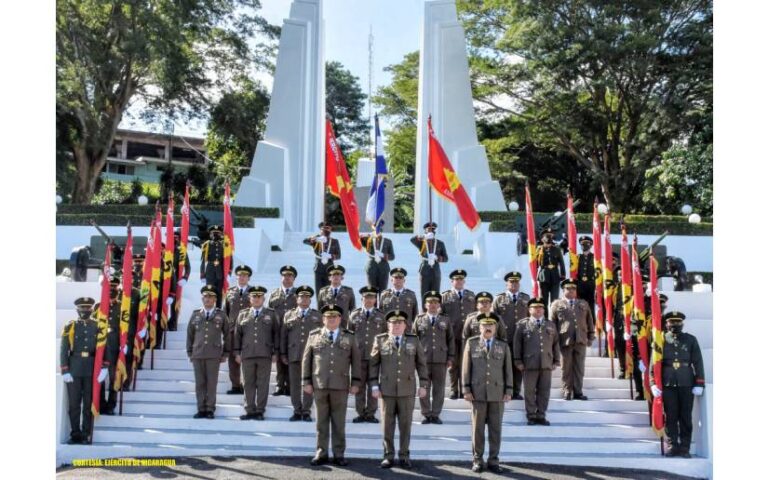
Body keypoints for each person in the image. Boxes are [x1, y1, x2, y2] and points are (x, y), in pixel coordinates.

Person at [303, 305, 362, 467]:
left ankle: (338, 453)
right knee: (321, 422)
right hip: (320, 385)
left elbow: (356, 362)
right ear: (323, 319)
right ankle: (321, 452)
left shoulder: (349, 337)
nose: (331, 319)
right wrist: (306, 381)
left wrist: (356, 382)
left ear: (340, 319)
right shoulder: (314, 335)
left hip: (340, 385)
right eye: (328, 317)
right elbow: (306, 360)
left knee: (339, 422)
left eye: (335, 317)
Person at [369, 310, 429, 469]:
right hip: (386, 390)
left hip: (407, 390)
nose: (396, 325)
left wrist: (423, 385)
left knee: (405, 425)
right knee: (387, 425)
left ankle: (404, 455)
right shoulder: (380, 340)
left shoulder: (414, 340)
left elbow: (422, 365)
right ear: (388, 325)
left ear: (405, 325)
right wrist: (374, 386)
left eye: (399, 323)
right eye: (393, 323)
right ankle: (388, 455)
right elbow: (374, 365)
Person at [461, 313, 513, 473]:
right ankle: (477, 460)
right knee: (477, 430)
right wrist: (466, 389)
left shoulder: (503, 345)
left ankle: (493, 460)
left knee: (495, 429)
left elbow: (508, 370)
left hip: (497, 393)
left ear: (495, 328)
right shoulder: (472, 343)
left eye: (491, 326)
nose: (488, 328)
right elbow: (466, 368)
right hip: (477, 393)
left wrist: (509, 389)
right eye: (485, 325)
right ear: (480, 327)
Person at [650, 311, 705, 458]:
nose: (674, 325)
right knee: (671, 416)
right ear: (666, 324)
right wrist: (653, 382)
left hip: (687, 382)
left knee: (685, 416)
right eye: (671, 323)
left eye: (677, 323)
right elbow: (654, 362)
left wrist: (700, 382)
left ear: (682, 324)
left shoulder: (691, 340)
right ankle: (673, 446)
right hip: (668, 383)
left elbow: (698, 362)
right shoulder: (660, 339)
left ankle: (685, 448)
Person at [60, 297, 109, 444]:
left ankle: (86, 434)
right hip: (74, 369)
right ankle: (75, 434)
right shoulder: (70, 326)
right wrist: (65, 369)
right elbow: (64, 349)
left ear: (92, 310)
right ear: (77, 310)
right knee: (74, 404)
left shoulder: (98, 326)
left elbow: (103, 347)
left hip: (92, 370)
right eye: (82, 309)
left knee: (88, 404)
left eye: (87, 309)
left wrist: (105, 367)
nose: (85, 311)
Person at [233, 286, 279, 420]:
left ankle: (260, 410)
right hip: (247, 354)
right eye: (254, 296)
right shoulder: (243, 314)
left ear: (264, 299)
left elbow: (276, 334)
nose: (257, 299)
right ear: (250, 298)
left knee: (263, 383)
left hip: (265, 353)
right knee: (248, 383)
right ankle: (249, 410)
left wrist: (276, 352)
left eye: (259, 297)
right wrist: (237, 352)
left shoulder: (270, 314)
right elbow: (237, 335)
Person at [514, 297, 560, 426]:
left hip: (546, 363)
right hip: (529, 364)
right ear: (529, 310)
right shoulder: (522, 325)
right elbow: (517, 345)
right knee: (529, 391)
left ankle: (541, 414)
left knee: (544, 391)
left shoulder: (550, 325)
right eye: (535, 307)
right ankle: (531, 415)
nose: (538, 310)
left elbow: (555, 344)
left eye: (541, 308)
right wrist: (518, 361)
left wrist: (556, 359)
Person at [280, 285, 323, 422]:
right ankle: (297, 410)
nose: (304, 299)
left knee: (308, 383)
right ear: (297, 299)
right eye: (301, 297)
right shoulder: (289, 315)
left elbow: (322, 336)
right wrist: (283, 353)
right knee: (294, 384)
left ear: (310, 300)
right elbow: (284, 336)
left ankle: (306, 410)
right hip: (294, 354)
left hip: (311, 356)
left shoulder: (317, 315)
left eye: (307, 297)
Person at [186, 285, 229, 419]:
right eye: (205, 297)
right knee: (200, 383)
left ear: (215, 299)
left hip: (213, 355)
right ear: (202, 298)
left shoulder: (221, 315)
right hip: (198, 354)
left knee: (211, 383)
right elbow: (190, 335)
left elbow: (227, 335)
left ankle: (210, 409)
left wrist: (225, 353)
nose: (208, 299)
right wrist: (190, 352)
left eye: (210, 297)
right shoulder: (195, 314)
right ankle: (201, 408)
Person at [413, 291, 455, 424]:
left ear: (439, 305)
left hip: (440, 359)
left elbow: (451, 339)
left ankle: (435, 414)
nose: (432, 305)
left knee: (439, 388)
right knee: (424, 387)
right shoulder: (419, 319)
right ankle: (426, 413)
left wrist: (451, 357)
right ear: (425, 305)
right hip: (423, 360)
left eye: (435, 302)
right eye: (430, 302)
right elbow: (414, 340)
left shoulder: (445, 319)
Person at [549, 279, 595, 400]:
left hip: (581, 339)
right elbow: (552, 324)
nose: (571, 291)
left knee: (579, 367)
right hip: (565, 341)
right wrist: (553, 342)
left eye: (573, 289)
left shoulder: (583, 304)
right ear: (563, 290)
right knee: (566, 367)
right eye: (568, 289)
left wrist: (591, 336)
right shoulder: (556, 305)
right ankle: (567, 390)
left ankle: (578, 391)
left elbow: (590, 321)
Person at [347, 286, 387, 423]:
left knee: (373, 384)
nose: (368, 300)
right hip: (358, 356)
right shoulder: (354, 315)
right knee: (359, 385)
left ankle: (370, 413)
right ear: (362, 298)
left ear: (375, 299)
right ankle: (360, 412)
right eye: (366, 297)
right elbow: (349, 336)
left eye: (371, 297)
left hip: (375, 357)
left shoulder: (381, 316)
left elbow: (385, 336)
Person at [492, 271, 530, 399]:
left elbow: (530, 317)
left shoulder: (526, 298)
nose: (514, 284)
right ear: (506, 284)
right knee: (503, 365)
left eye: (516, 282)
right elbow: (493, 319)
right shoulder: (499, 299)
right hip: (504, 338)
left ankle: (516, 391)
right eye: (511, 282)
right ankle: (503, 390)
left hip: (521, 338)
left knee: (518, 365)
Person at [441, 269, 476, 399]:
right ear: (452, 281)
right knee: (453, 364)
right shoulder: (445, 296)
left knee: (466, 363)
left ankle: (464, 389)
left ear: (464, 281)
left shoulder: (471, 296)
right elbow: (441, 315)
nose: (459, 281)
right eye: (456, 279)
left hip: (468, 336)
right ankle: (454, 389)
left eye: (461, 279)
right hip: (452, 335)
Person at [268, 265, 298, 396]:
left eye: (290, 276)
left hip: (293, 332)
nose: (287, 278)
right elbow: (269, 312)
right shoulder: (274, 294)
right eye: (285, 276)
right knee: (280, 359)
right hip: (278, 331)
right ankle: (280, 385)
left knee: (291, 360)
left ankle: (291, 386)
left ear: (294, 278)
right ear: (281, 278)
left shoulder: (299, 294)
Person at [222, 265, 253, 395]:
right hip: (232, 332)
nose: (242, 278)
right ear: (236, 277)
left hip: (248, 331)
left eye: (244, 275)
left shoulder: (254, 292)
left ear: (248, 277)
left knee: (247, 359)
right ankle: (235, 385)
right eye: (240, 275)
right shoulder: (230, 292)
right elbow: (225, 313)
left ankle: (248, 385)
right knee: (233, 360)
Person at [99, 275, 122, 415]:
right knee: (100, 377)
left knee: (114, 378)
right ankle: (100, 404)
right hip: (101, 346)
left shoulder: (121, 306)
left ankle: (111, 405)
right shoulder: (98, 306)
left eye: (114, 287)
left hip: (114, 345)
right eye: (109, 287)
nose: (112, 289)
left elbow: (125, 328)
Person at [410, 222, 448, 299]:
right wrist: (423, 236)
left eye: (432, 230)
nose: (431, 231)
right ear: (425, 231)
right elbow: (412, 240)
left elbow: (446, 258)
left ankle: (436, 310)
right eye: (429, 230)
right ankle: (424, 310)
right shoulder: (422, 242)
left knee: (435, 293)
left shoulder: (440, 243)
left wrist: (437, 257)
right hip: (425, 271)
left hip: (435, 271)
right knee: (424, 292)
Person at [303, 222, 341, 295]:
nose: (325, 230)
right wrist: (316, 239)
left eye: (328, 228)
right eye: (323, 229)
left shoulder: (334, 241)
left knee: (329, 291)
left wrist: (330, 256)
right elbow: (305, 241)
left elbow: (338, 255)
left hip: (329, 268)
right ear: (320, 230)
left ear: (330, 230)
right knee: (319, 291)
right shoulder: (317, 239)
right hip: (319, 267)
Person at [536, 227, 566, 313]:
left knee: (555, 300)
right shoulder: (539, 249)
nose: (548, 238)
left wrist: (563, 275)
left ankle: (554, 319)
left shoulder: (556, 249)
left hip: (555, 276)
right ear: (542, 239)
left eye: (550, 236)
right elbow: (535, 264)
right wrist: (534, 276)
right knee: (543, 300)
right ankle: (544, 319)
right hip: (543, 277)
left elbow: (561, 263)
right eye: (546, 236)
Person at [168, 228, 191, 331]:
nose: (174, 239)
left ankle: (173, 322)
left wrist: (185, 278)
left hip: (176, 280)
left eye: (176, 237)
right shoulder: (165, 250)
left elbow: (188, 266)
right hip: (165, 279)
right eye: (172, 237)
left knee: (174, 303)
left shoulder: (181, 252)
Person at [361, 222, 395, 292]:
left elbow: (392, 256)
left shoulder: (387, 241)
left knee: (383, 292)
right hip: (372, 267)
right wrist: (366, 235)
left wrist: (383, 255)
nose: (377, 232)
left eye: (378, 231)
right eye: (375, 230)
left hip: (383, 268)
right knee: (372, 291)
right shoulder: (368, 240)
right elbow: (358, 239)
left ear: (381, 231)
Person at [200, 225, 226, 307]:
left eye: (217, 233)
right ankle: (208, 308)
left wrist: (228, 272)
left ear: (220, 234)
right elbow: (203, 260)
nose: (215, 235)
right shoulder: (206, 245)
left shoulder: (224, 245)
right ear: (210, 234)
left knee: (219, 292)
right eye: (214, 233)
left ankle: (218, 309)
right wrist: (202, 274)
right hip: (210, 271)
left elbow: (229, 258)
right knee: (209, 291)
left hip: (220, 271)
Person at [576, 236, 596, 315]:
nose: (584, 246)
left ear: (590, 245)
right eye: (582, 244)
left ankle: (592, 324)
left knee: (591, 306)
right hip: (580, 284)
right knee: (580, 306)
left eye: (586, 244)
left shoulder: (594, 257)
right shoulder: (578, 257)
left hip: (591, 284)